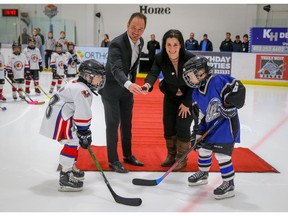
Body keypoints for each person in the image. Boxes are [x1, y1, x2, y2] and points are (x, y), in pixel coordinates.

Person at [182, 55, 246, 200]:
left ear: (201, 73)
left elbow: (239, 88)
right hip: (211, 127)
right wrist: (197, 134)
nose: (189, 79)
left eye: (190, 75)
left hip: (226, 127)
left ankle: (229, 184)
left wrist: (230, 105)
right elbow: (199, 117)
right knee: (203, 149)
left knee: (222, 156)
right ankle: (203, 174)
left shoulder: (218, 81)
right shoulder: (196, 93)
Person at [39, 59, 106, 192]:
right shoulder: (82, 90)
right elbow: (83, 113)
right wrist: (84, 131)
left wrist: (83, 131)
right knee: (73, 140)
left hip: (60, 115)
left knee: (74, 139)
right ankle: (65, 175)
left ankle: (70, 167)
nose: (100, 81)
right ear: (87, 76)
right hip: (60, 118)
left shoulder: (77, 83)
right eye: (98, 77)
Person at [98, 12, 147, 173]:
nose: (136, 32)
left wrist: (131, 82)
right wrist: (128, 83)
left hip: (127, 90)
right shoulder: (116, 44)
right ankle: (113, 160)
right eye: (134, 27)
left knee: (127, 124)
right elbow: (117, 68)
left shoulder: (141, 42)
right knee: (113, 125)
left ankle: (128, 155)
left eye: (140, 29)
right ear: (127, 25)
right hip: (111, 88)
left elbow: (132, 66)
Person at [141, 29, 195, 171]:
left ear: (181, 45)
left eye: (175, 45)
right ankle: (171, 156)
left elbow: (196, 83)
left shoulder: (190, 58)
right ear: (164, 45)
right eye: (168, 44)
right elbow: (153, 73)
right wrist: (147, 84)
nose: (172, 48)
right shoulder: (160, 58)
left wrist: (187, 102)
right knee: (169, 125)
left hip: (187, 97)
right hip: (170, 95)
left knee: (182, 125)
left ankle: (182, 159)